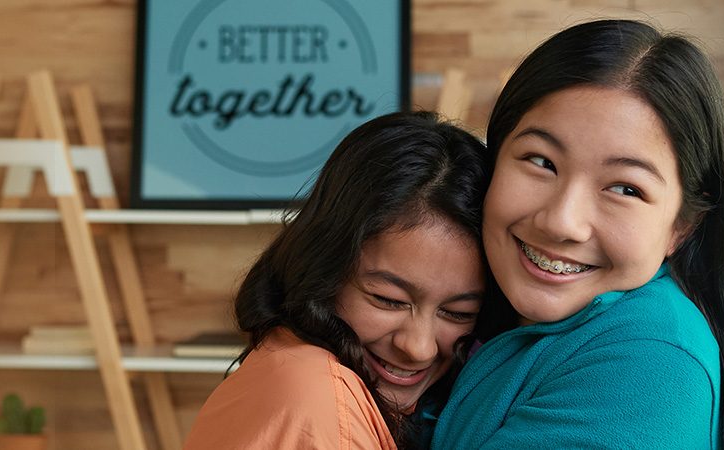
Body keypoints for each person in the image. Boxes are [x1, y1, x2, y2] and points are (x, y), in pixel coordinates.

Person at [432, 19, 724, 449]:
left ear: (682, 225)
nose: (561, 221)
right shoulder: (475, 306)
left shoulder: (652, 364)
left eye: (625, 188)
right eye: (541, 162)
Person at [184, 112, 516, 449]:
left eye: (458, 313)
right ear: (324, 267)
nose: (418, 347)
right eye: (389, 299)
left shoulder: (301, 370)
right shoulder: (319, 405)